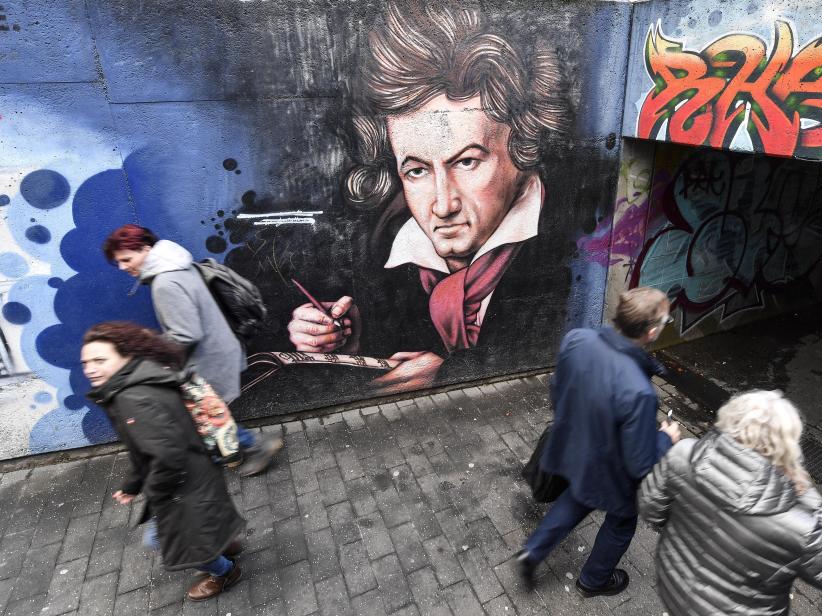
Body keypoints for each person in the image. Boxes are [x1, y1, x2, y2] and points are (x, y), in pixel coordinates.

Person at [286, 3, 573, 394]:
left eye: (467, 161)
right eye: (417, 171)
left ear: (523, 145)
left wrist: (447, 374)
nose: (442, 205)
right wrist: (344, 339)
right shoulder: (380, 246)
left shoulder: (574, 240)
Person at [640, 390, 822, 615]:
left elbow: (650, 508)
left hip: (675, 588)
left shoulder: (683, 453)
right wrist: (808, 496)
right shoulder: (799, 526)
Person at [514, 287, 682, 598]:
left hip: (576, 448)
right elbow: (640, 463)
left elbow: (557, 390)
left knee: (577, 498)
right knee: (622, 521)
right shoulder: (640, 392)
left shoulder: (577, 339)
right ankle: (594, 580)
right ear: (652, 331)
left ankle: (532, 552)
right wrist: (664, 439)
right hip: (610, 470)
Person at [81, 322, 247, 601]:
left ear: (126, 356)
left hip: (183, 484)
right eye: (86, 362)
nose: (90, 368)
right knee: (200, 524)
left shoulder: (131, 399)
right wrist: (133, 484)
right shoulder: (144, 376)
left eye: (100, 360)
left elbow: (166, 456)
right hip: (198, 470)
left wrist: (155, 491)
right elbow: (144, 448)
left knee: (165, 540)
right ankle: (223, 543)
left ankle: (224, 571)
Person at [103, 224, 282, 476]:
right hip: (220, 348)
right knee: (208, 416)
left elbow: (186, 334)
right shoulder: (179, 265)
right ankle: (229, 453)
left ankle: (254, 446)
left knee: (204, 417)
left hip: (207, 361)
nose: (123, 267)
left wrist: (154, 351)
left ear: (145, 249)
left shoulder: (165, 283)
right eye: (118, 262)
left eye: (126, 259)